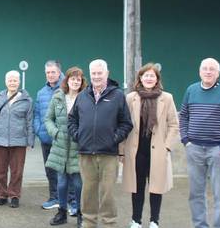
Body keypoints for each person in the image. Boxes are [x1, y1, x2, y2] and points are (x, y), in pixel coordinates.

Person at [69, 59, 133, 228]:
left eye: (100, 73)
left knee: (107, 193)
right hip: (86, 153)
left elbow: (126, 123)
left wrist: (114, 138)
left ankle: (108, 223)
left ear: (107, 73)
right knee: (88, 191)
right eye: (94, 73)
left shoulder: (117, 95)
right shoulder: (83, 96)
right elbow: (72, 120)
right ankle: (89, 223)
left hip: (109, 154)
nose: (96, 76)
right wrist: (78, 136)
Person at [179, 57, 220, 228]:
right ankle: (200, 225)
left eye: (212, 69)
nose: (208, 72)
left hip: (218, 150)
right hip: (194, 149)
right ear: (199, 71)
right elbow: (183, 115)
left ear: (218, 73)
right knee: (195, 193)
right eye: (205, 68)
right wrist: (185, 139)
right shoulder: (191, 90)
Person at [121, 63, 180, 228]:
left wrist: (167, 146)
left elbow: (174, 125)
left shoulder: (166, 98)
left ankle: (154, 220)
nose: (148, 78)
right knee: (137, 187)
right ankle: (136, 220)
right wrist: (121, 151)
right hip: (136, 151)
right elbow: (123, 125)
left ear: (157, 79)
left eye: (152, 76)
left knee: (156, 187)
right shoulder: (130, 98)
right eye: (145, 75)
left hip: (158, 151)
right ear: (140, 78)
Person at [45, 66, 86, 227]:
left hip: (78, 146)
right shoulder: (58, 97)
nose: (75, 81)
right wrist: (55, 133)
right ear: (67, 80)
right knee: (61, 182)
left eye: (78, 79)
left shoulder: (86, 98)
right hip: (60, 146)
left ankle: (81, 214)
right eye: (72, 78)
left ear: (81, 81)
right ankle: (61, 212)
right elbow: (48, 119)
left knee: (78, 182)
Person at [0, 70, 34, 208]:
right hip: (0, 139)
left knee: (17, 170)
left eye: (15, 80)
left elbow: (29, 121)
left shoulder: (27, 100)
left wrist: (30, 140)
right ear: (6, 82)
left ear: (19, 82)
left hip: (19, 140)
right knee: (0, 170)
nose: (12, 82)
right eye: (10, 80)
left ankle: (14, 195)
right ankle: (2, 194)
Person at [35, 60, 63, 209]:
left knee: (66, 171)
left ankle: (70, 201)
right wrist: (39, 131)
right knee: (50, 171)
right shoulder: (41, 92)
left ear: (59, 72)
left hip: (63, 140)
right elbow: (37, 115)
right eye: (48, 72)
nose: (50, 75)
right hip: (46, 139)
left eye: (53, 72)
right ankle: (54, 198)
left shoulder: (68, 89)